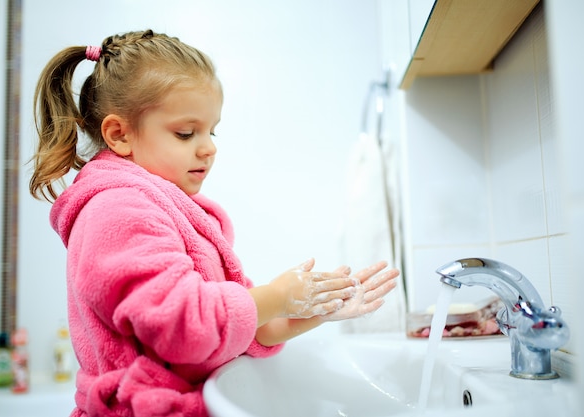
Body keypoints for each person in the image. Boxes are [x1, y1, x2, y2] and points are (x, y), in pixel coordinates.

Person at [29, 29, 399, 417]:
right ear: (120, 135)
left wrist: (314, 306)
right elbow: (183, 325)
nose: (209, 147)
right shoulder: (116, 211)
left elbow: (244, 327)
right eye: (186, 133)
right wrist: (278, 295)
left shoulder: (174, 212)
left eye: (212, 130)